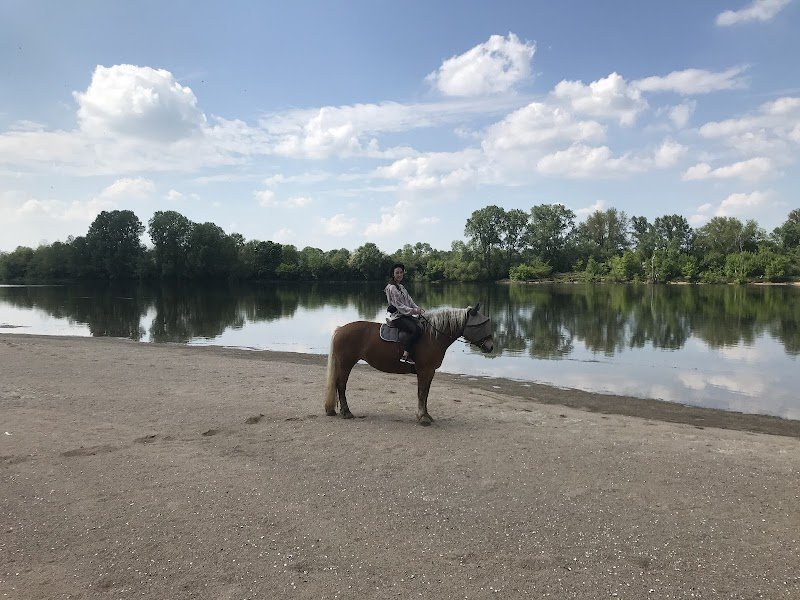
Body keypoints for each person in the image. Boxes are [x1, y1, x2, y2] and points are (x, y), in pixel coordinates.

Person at [385, 262, 425, 364]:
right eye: (397, 273)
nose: (399, 275)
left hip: (405, 315)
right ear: (393, 274)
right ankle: (405, 354)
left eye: (401, 272)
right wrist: (414, 311)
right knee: (416, 330)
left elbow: (410, 301)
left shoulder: (401, 287)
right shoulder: (392, 288)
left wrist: (418, 309)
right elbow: (399, 306)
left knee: (423, 325)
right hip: (398, 317)